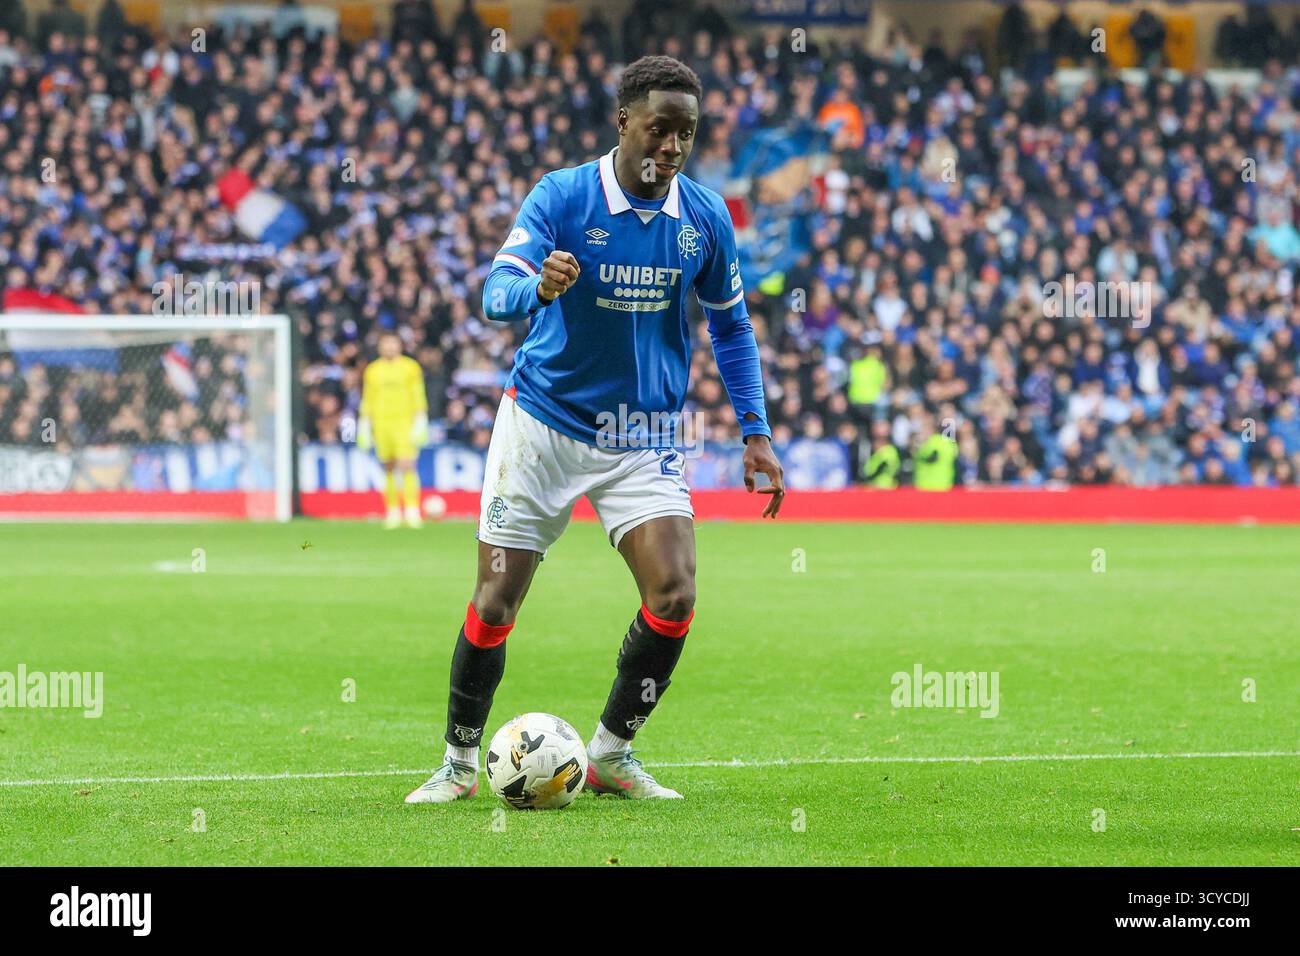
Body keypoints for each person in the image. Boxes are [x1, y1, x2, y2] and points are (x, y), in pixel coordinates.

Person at [406, 55, 784, 804]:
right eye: (659, 128)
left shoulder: (704, 218)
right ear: (624, 123)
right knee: (494, 603)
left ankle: (612, 752)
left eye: (686, 132)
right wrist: (535, 287)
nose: (672, 146)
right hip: (542, 426)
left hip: (641, 437)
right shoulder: (565, 196)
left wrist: (755, 429)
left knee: (674, 592)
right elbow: (494, 293)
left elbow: (732, 328)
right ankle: (456, 763)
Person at [357, 331, 429, 529]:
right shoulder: (372, 370)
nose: (389, 347)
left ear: (399, 346)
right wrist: (364, 424)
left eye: (393, 343)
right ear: (380, 347)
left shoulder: (410, 367)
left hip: (404, 422)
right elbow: (367, 398)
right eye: (386, 344)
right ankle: (392, 510)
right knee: (387, 467)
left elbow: (418, 394)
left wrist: (421, 420)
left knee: (407, 465)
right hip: (381, 424)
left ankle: (412, 510)